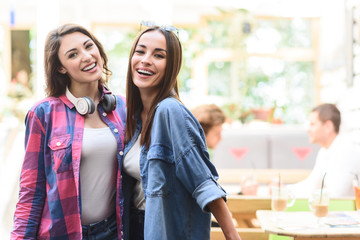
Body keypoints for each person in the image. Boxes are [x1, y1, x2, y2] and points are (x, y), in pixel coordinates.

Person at [122, 24, 241, 240]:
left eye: (159, 55)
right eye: (140, 51)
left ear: (172, 67)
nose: (146, 59)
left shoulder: (170, 111)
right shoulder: (131, 117)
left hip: (165, 230)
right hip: (134, 227)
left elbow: (203, 182)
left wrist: (233, 236)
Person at [11, 24, 126, 240]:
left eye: (88, 46)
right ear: (61, 68)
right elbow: (30, 191)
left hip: (112, 232)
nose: (86, 56)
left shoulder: (122, 108)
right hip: (62, 234)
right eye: (73, 54)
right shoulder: (43, 113)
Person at [288, 103, 360, 198]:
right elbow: (312, 184)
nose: (308, 129)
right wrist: (284, 190)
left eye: (312, 124)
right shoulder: (324, 151)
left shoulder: (346, 152)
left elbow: (334, 195)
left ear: (328, 127)